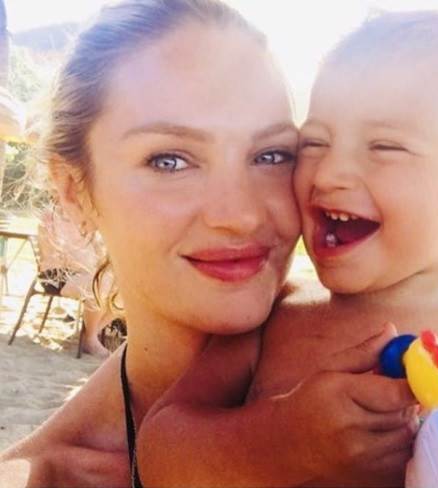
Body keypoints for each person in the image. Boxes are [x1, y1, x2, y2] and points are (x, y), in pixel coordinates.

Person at [138, 10, 438, 488]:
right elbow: (159, 449)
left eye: (385, 147)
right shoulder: (277, 311)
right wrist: (280, 442)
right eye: (314, 143)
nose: (328, 174)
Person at [0, 1, 416, 487]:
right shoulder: (43, 477)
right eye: (169, 161)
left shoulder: (407, 367)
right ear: (74, 190)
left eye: (271, 155)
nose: (240, 216)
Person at [37, 206, 113, 357]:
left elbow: (99, 251)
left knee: (124, 290)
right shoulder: (50, 217)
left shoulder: (86, 218)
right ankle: (90, 340)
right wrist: (83, 264)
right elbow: (50, 254)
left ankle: (87, 335)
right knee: (98, 284)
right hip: (56, 276)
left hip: (84, 273)